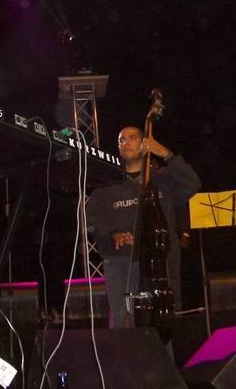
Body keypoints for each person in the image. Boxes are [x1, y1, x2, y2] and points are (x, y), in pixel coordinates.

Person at [86, 126, 200, 328]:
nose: (126, 143)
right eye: (121, 140)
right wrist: (113, 233)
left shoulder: (162, 179)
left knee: (161, 323)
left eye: (132, 138)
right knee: (123, 321)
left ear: (144, 143)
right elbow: (93, 217)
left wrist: (166, 154)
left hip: (160, 264)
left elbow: (193, 184)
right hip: (121, 263)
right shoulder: (107, 183)